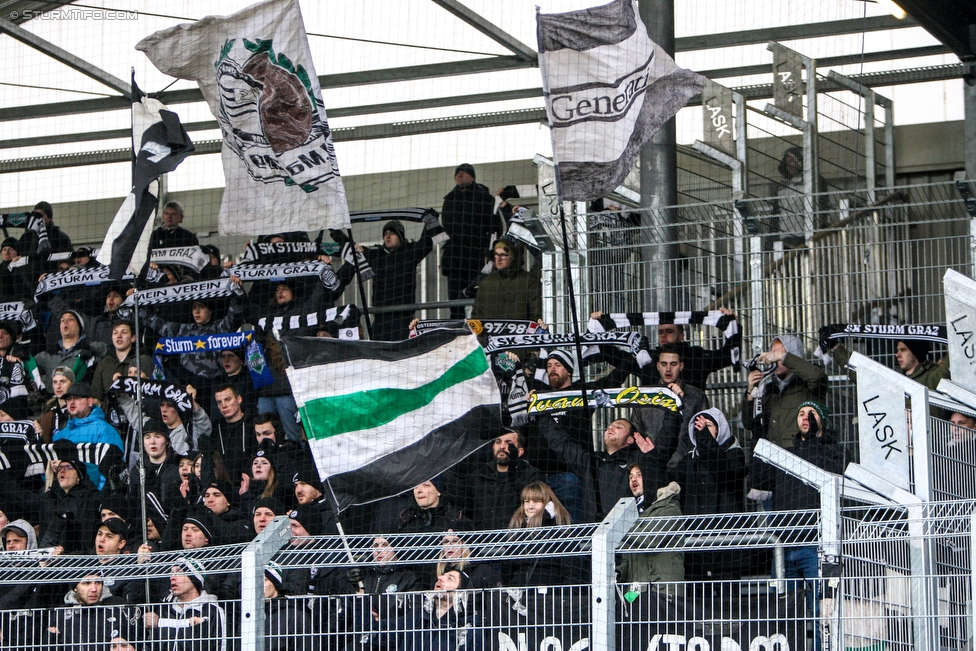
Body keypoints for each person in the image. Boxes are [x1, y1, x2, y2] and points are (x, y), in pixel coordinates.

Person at [753, 400, 844, 651]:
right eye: (801, 413)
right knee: (783, 612)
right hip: (784, 545)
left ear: (821, 421)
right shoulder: (786, 456)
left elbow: (833, 475)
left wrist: (816, 438)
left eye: (811, 414)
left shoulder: (833, 450)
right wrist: (757, 433)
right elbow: (758, 480)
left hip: (816, 546)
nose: (805, 418)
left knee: (820, 609)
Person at [540, 416, 672, 522]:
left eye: (618, 427)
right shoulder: (592, 463)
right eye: (609, 427)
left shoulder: (640, 459)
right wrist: (540, 414)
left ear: (631, 438)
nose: (611, 428)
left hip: (631, 540)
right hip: (594, 542)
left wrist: (674, 412)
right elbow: (562, 444)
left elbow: (666, 444)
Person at [668, 408, 746, 579]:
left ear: (720, 428)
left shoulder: (734, 453)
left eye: (707, 425)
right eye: (698, 426)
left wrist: (705, 439)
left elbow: (724, 468)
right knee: (695, 604)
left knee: (728, 604)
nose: (701, 430)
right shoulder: (687, 461)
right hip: (695, 552)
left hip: (727, 549)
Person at [631, 343, 709, 475]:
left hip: (687, 469)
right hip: (653, 467)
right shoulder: (644, 398)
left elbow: (706, 434)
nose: (668, 369)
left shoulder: (696, 397)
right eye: (663, 364)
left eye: (673, 364)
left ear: (681, 366)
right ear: (657, 366)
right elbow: (634, 434)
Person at [741, 334, 828, 449]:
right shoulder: (767, 389)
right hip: (770, 457)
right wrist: (750, 392)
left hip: (801, 455)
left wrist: (783, 357)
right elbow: (749, 424)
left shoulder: (809, 386)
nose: (775, 360)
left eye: (779, 355)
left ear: (794, 356)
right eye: (772, 355)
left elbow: (817, 377)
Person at [361, 219, 434, 341]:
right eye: (385, 234)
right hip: (380, 318)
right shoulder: (376, 255)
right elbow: (349, 249)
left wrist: (430, 221)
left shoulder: (410, 252)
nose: (387, 237)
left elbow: (426, 243)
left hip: (402, 318)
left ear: (400, 236)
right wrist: (334, 229)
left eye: (392, 233)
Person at [440, 163, 496, 318]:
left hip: (476, 257)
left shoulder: (485, 198)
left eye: (464, 172)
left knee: (478, 302)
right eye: (457, 172)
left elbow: (493, 228)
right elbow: (446, 228)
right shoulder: (449, 199)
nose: (459, 175)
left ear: (472, 176)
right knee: (455, 303)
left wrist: (489, 254)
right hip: (455, 261)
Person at [456, 429, 542, 531]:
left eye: (508, 443)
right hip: (482, 541)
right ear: (493, 446)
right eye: (498, 442)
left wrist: (513, 471)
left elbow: (535, 504)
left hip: (516, 541)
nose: (502, 446)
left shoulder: (532, 475)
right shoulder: (477, 476)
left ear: (520, 451)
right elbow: (464, 508)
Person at [616, 467, 684, 593]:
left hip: (663, 592)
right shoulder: (633, 513)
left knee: (656, 612)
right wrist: (618, 573)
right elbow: (627, 558)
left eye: (639, 475)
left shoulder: (669, 508)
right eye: (630, 477)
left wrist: (621, 525)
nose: (633, 479)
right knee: (624, 608)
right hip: (637, 590)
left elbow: (651, 540)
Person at [52, 382, 124, 489]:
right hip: (65, 498)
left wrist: (101, 497)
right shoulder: (60, 436)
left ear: (90, 401)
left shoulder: (104, 429)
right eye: (68, 399)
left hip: (93, 497)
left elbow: (113, 469)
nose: (71, 402)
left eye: (76, 398)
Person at [143, 559, 227, 651]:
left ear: (195, 578)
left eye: (179, 572)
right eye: (172, 573)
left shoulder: (212, 611)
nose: (172, 577)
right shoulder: (164, 610)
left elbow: (221, 646)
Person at [504, 481, 576, 587]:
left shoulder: (560, 530)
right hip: (517, 594)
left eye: (536, 501)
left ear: (548, 505)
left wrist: (544, 519)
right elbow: (506, 569)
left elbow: (571, 572)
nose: (530, 506)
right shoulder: (516, 530)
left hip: (550, 596)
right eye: (527, 501)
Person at [47, 572, 128, 650]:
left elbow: (135, 638)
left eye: (98, 583)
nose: (94, 589)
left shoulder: (117, 606)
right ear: (75, 587)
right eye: (86, 583)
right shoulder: (62, 613)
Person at [470, 237, 542, 322]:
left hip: (521, 334)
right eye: (496, 254)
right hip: (490, 334)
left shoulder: (529, 281)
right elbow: (476, 316)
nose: (499, 259)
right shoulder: (487, 282)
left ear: (513, 257)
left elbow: (536, 314)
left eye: (503, 255)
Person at [33, 310, 107, 391]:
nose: (65, 322)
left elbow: (108, 351)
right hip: (54, 401)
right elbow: (29, 368)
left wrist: (91, 349)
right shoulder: (47, 355)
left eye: (70, 319)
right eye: (62, 320)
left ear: (80, 326)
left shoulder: (90, 349)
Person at [39, 458, 100, 553]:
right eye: (59, 469)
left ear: (79, 477)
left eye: (69, 467)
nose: (62, 471)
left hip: (81, 560)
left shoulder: (91, 498)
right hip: (49, 560)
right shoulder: (47, 499)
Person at [90, 319, 136, 402]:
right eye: (115, 333)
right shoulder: (103, 364)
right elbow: (96, 397)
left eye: (124, 332)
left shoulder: (141, 362)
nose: (119, 336)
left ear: (133, 338)